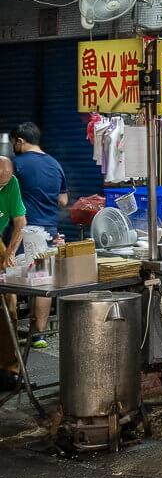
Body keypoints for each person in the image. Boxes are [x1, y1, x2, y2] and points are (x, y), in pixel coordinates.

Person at [11, 122, 67, 349]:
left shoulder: (16, 164)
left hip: (20, 232)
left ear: (20, 141)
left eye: (14, 142)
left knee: (10, 280)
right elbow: (63, 201)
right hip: (48, 231)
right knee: (42, 281)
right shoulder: (55, 164)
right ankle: (38, 335)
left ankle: (10, 334)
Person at [0, 157, 26, 391]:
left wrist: (10, 252)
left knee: (8, 301)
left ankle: (9, 368)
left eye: (4, 182)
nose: (2, 186)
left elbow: (20, 221)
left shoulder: (12, 183)